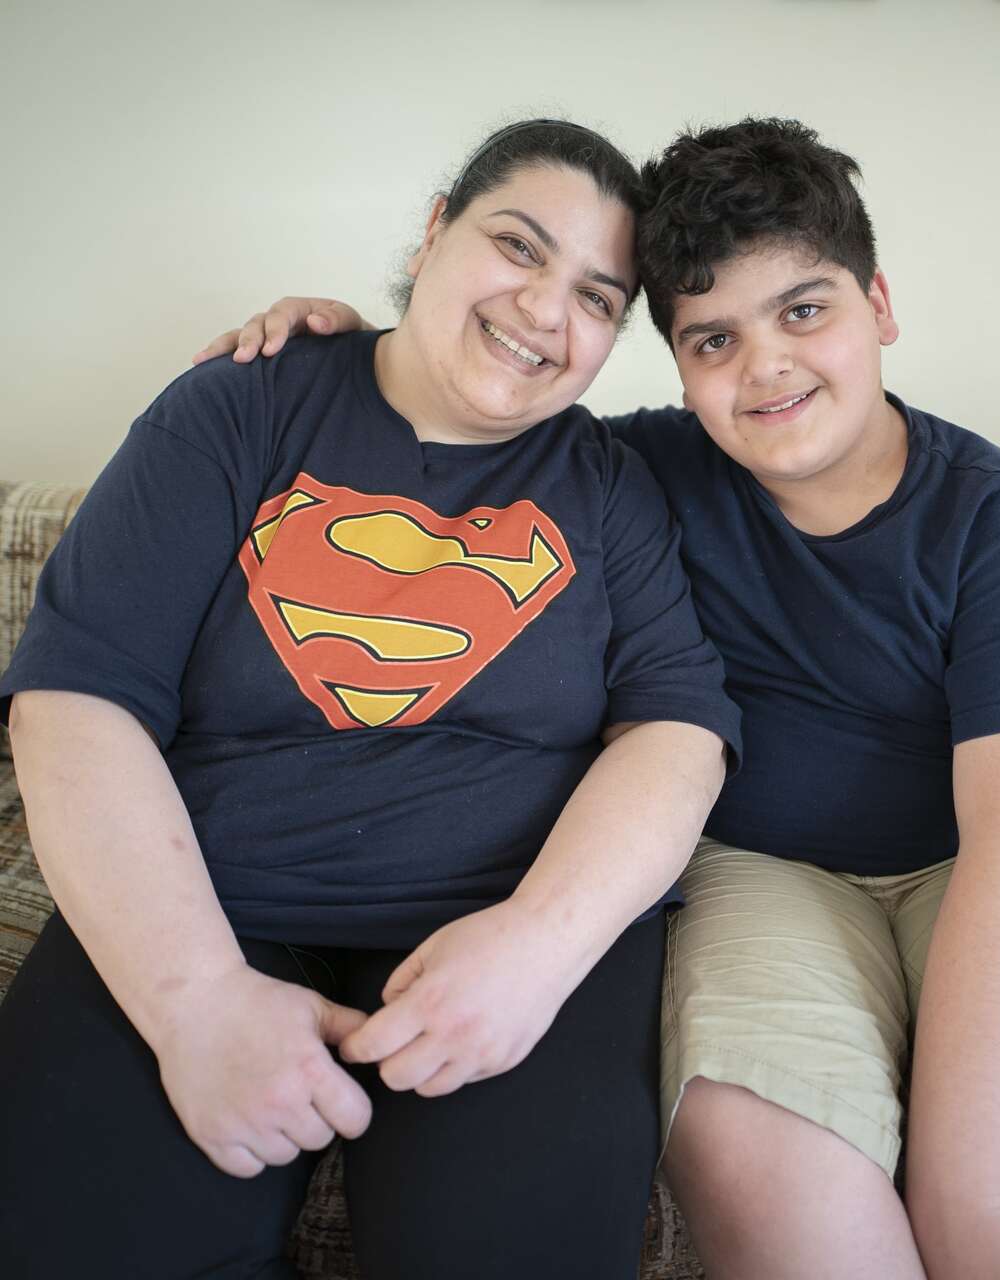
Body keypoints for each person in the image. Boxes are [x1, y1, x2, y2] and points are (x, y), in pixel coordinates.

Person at [204, 116, 1000, 1280]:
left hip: (996, 855)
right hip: (760, 866)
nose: (763, 366)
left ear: (878, 303)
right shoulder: (636, 472)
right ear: (674, 361)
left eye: (803, 310)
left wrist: (958, 1190)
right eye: (712, 339)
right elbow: (465, 413)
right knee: (753, 1144)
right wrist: (342, 344)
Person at [0, 119, 743, 1280]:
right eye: (516, 246)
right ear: (436, 228)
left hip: (502, 917)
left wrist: (534, 952)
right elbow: (73, 703)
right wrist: (193, 997)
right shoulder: (235, 410)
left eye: (598, 298)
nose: (548, 312)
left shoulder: (610, 486)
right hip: (212, 897)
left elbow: (677, 731)